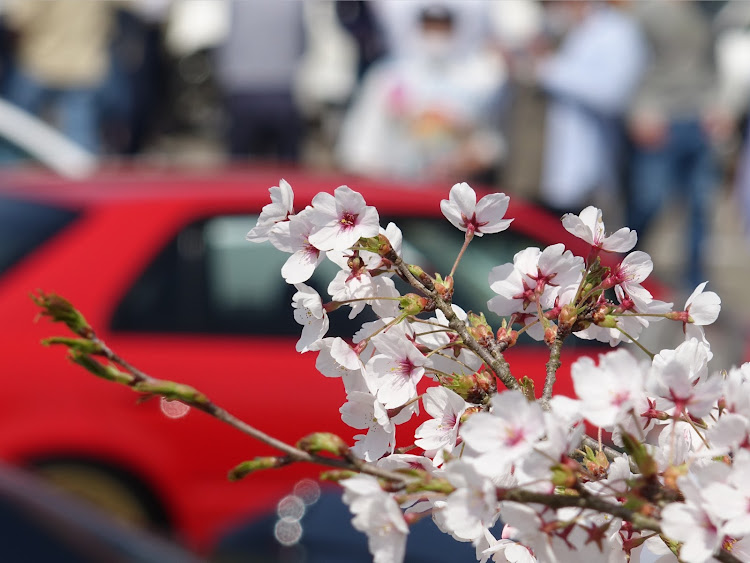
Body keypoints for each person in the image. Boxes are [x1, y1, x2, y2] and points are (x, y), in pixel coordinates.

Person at [336, 4, 505, 183]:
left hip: (457, 192)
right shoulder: (388, 76)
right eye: (430, 24)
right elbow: (361, 144)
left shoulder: (482, 80)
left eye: (443, 25)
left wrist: (466, 160)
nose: (436, 33)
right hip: (398, 190)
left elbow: (491, 144)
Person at [627, 0, 731, 289]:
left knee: (700, 205)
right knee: (649, 200)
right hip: (659, 116)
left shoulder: (710, 11)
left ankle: (695, 283)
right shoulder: (647, 12)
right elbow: (632, 63)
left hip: (700, 117)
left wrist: (720, 106)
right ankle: (622, 271)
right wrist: (639, 111)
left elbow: (715, 64)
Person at [535, 0, 647, 214]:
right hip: (547, 169)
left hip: (589, 170)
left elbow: (614, 92)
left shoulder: (618, 31)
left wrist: (549, 70)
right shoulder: (569, 29)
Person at [2, 0, 115, 154]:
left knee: (15, 136)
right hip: (83, 66)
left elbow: (18, 18)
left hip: (39, 63)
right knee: (78, 145)